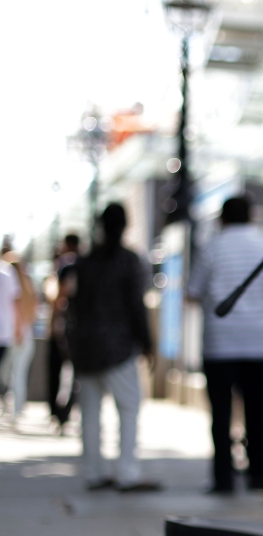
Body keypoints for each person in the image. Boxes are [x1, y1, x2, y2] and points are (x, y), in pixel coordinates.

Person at [187, 196, 263, 493]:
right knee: (260, 410)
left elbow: (192, 293)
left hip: (220, 342)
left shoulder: (211, 248)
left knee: (220, 414)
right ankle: (261, 474)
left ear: (222, 218)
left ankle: (224, 478)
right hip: (261, 340)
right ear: (252, 216)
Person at [66, 203, 159, 491]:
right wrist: (147, 343)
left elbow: (75, 306)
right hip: (116, 347)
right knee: (129, 407)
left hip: (86, 346)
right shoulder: (128, 260)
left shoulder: (85, 262)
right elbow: (136, 305)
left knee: (90, 413)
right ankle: (127, 472)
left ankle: (94, 472)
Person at [0, 253, 38, 422]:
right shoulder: (28, 288)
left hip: (16, 334)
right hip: (23, 333)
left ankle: (14, 411)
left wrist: (18, 330)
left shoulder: (14, 287)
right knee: (17, 373)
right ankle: (16, 409)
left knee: (12, 374)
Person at [48, 234, 80, 431]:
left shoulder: (66, 265)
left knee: (58, 371)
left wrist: (53, 323)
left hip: (65, 327)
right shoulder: (87, 265)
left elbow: (58, 298)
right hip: (79, 329)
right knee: (74, 375)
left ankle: (59, 412)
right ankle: (65, 411)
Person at [0, 255, 21, 401]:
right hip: (5, 331)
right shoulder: (8, 272)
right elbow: (16, 302)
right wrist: (19, 327)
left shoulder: (7, 271)